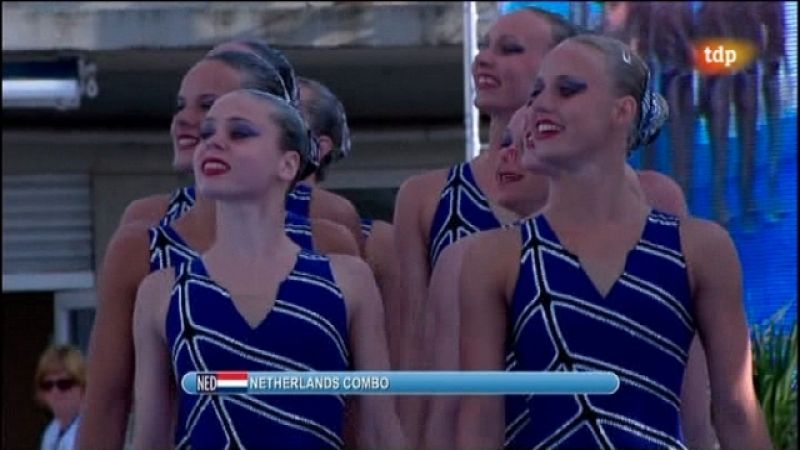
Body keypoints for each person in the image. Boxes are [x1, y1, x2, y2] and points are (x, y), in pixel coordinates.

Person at [456, 34, 771, 449]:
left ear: (622, 111)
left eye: (567, 90)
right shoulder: (496, 257)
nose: (540, 106)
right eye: (536, 93)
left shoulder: (701, 249)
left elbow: (736, 410)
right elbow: (479, 419)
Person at [77, 50, 358, 450]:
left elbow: (358, 402)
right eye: (182, 106)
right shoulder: (143, 248)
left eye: (209, 106)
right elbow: (107, 404)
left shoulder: (329, 239)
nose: (185, 120)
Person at [132, 89, 405, 449]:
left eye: (239, 133)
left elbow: (380, 431)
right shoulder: (162, 291)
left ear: (288, 164)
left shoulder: (348, 280)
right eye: (207, 133)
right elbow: (150, 439)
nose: (214, 143)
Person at [35, 345, 85, 450]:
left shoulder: (93, 429)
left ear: (83, 387)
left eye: (64, 384)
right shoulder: (51, 432)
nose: (55, 392)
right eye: (47, 385)